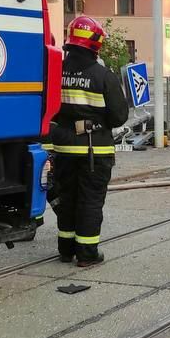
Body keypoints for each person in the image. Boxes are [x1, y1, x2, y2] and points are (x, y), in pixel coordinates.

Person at [50, 16, 129, 267]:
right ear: (96, 44)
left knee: (68, 199)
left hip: (62, 149)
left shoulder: (55, 73)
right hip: (95, 151)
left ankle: (66, 249)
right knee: (90, 201)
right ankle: (86, 254)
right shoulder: (103, 76)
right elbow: (119, 117)